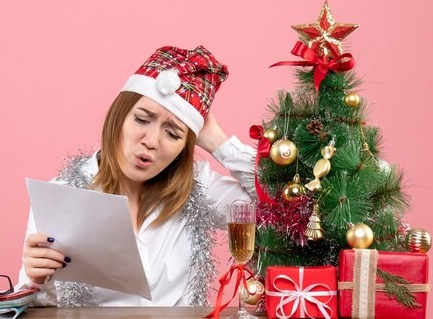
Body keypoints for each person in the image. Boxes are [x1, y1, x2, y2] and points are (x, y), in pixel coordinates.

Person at [18, 45, 257, 307]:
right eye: (142, 120)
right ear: (119, 117)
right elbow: (34, 306)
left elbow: (285, 204)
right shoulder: (61, 196)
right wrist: (35, 280)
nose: (152, 141)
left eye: (173, 134)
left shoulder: (198, 188)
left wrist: (220, 144)